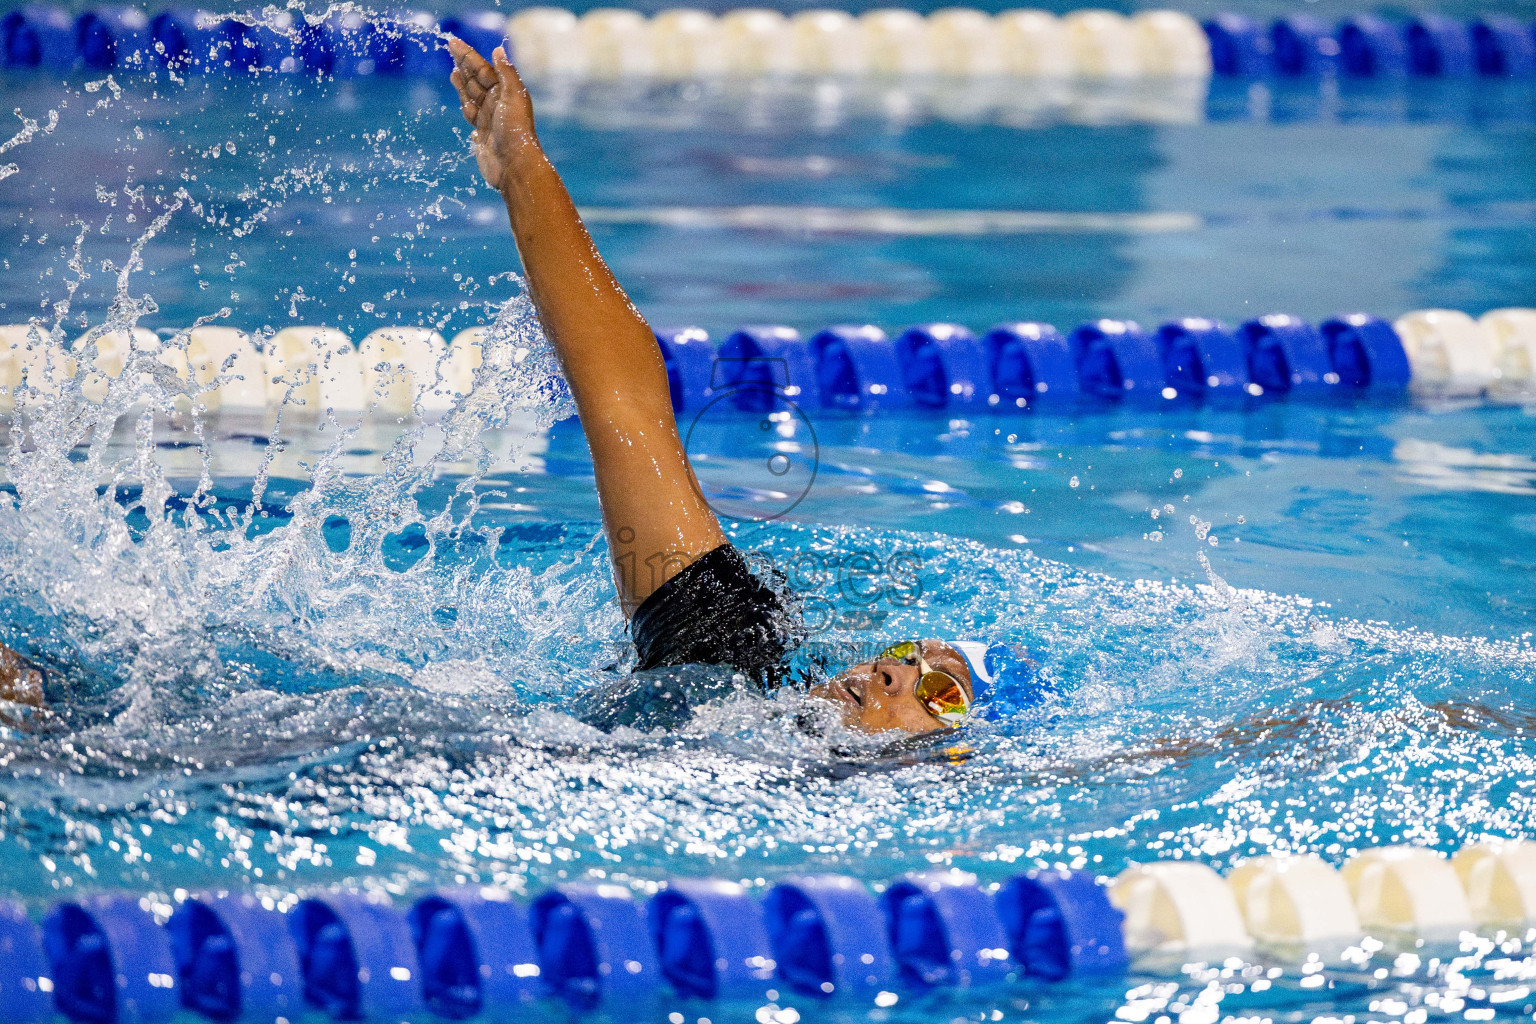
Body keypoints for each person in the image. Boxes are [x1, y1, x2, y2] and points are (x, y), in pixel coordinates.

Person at [446, 38, 983, 736]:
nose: (893, 673)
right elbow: (626, 401)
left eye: (940, 694)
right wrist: (523, 166)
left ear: (959, 756)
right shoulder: (737, 657)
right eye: (909, 656)